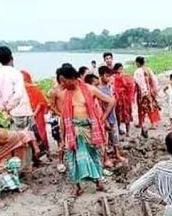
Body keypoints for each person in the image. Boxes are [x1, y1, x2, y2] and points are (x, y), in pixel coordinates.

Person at [48, 65, 116, 196]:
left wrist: (102, 118)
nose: (61, 83)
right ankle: (78, 186)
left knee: (93, 155)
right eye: (60, 81)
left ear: (72, 78)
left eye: (63, 81)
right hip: (72, 130)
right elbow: (64, 117)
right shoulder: (64, 94)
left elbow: (111, 101)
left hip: (88, 129)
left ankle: (98, 182)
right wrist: (62, 138)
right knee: (74, 159)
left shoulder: (90, 89)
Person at [0, 127, 39, 197]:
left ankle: (15, 180)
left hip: (6, 167)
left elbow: (28, 134)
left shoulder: (9, 136)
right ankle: (4, 185)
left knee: (15, 162)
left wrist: (36, 148)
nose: (8, 139)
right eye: (5, 139)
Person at [0, 47, 34, 134]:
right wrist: (9, 107)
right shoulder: (16, 73)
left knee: (14, 140)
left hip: (9, 113)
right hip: (22, 111)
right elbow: (18, 94)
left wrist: (4, 110)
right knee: (26, 138)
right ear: (11, 57)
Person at [98, 66, 126, 165]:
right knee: (104, 139)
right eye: (106, 76)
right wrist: (104, 120)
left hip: (112, 116)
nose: (108, 78)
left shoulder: (110, 87)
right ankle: (106, 158)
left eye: (109, 76)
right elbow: (100, 107)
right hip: (104, 117)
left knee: (115, 137)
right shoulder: (99, 89)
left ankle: (117, 154)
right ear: (101, 76)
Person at [21, 70, 49, 152]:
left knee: (38, 133)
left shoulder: (31, 88)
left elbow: (40, 102)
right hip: (32, 114)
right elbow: (41, 102)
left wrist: (34, 113)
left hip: (34, 114)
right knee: (36, 133)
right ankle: (42, 152)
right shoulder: (23, 89)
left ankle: (43, 151)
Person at [133, 56, 161, 137]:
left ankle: (143, 123)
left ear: (138, 63)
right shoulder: (148, 70)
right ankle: (152, 123)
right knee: (151, 107)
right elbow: (154, 80)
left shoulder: (137, 71)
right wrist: (155, 90)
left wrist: (143, 91)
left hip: (143, 92)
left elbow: (139, 83)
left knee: (143, 108)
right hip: (150, 91)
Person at [112, 63, 136, 136]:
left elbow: (131, 87)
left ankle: (128, 131)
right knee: (118, 115)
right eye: (119, 69)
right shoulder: (113, 77)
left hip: (125, 99)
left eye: (121, 68)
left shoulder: (126, 76)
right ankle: (118, 129)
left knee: (127, 114)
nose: (120, 70)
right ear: (116, 69)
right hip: (118, 99)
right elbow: (113, 88)